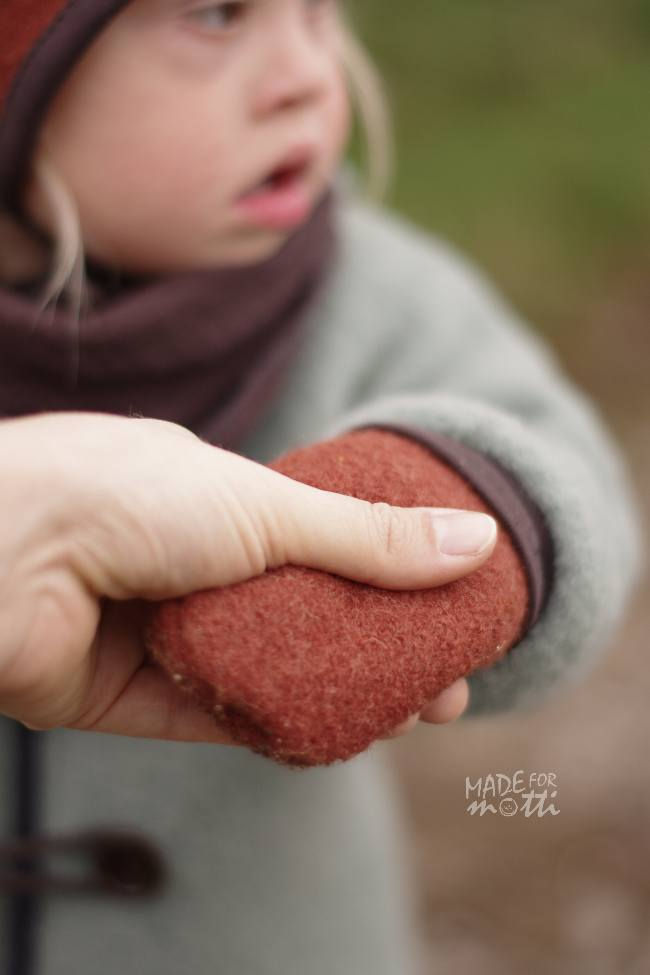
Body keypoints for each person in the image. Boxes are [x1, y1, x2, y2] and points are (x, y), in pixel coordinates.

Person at [0, 2, 644, 973]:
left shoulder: (370, 291)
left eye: (319, 13)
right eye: (217, 15)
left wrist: (456, 499)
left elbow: (569, 471)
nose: (308, 74)